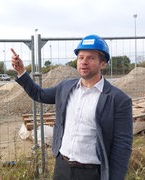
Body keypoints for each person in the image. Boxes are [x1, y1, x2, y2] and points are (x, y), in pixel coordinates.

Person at [11, 34, 133, 180]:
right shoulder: (65, 87)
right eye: (81, 57)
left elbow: (122, 147)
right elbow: (39, 94)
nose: (84, 62)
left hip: (92, 173)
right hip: (62, 167)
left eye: (91, 58)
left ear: (103, 64)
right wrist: (21, 72)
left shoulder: (118, 100)